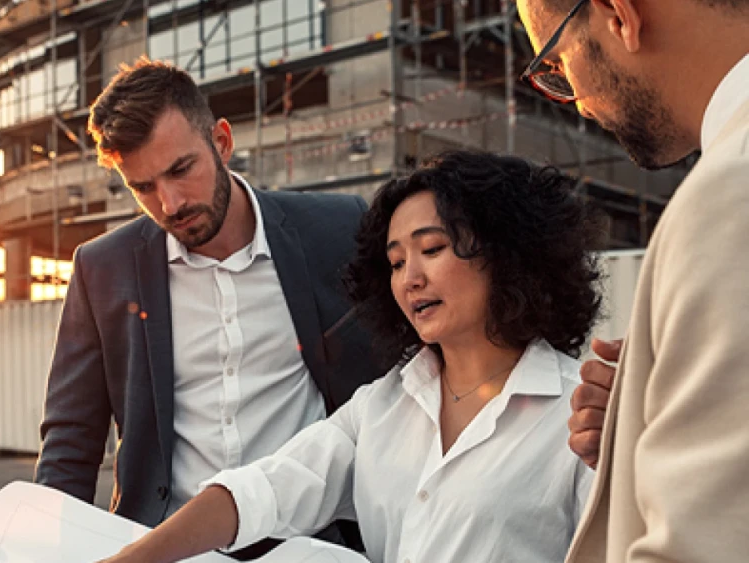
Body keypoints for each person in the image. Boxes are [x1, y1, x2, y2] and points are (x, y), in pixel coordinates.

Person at [97, 150, 604, 563]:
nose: (410, 279)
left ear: (505, 253)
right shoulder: (384, 405)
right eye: (396, 261)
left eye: (432, 250)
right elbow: (266, 488)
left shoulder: (585, 415)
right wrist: (135, 559)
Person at [33, 58, 378, 555]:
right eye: (143, 187)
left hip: (313, 543)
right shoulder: (102, 268)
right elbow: (71, 438)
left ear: (221, 141)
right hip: (168, 545)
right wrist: (48, 548)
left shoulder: (337, 230)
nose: (170, 203)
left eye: (181, 170)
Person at [517, 0, 749, 560]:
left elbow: (703, 544)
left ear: (617, 14)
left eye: (555, 63)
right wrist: (656, 406)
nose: (574, 105)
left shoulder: (728, 194)